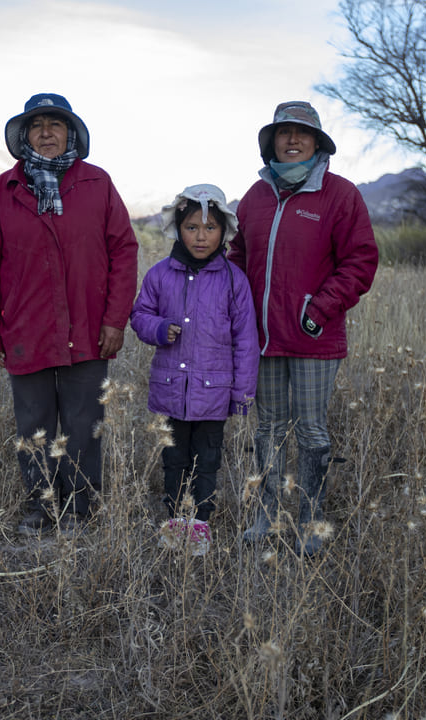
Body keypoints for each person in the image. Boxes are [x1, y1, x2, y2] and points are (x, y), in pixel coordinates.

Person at [0, 93, 138, 536]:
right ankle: (42, 506)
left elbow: (124, 250)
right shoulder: (2, 191)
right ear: (24, 135)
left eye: (56, 124)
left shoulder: (97, 184)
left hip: (89, 329)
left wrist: (115, 320)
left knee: (84, 425)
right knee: (34, 425)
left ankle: (82, 510)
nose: (46, 132)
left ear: (71, 134)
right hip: (26, 329)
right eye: (37, 124)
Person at [228, 101, 378, 557]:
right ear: (271, 141)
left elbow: (360, 261)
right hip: (264, 341)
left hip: (314, 338)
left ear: (317, 142)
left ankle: (313, 521)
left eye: (302, 133)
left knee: (312, 432)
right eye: (283, 133)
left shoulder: (339, 195)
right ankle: (267, 516)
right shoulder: (255, 197)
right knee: (268, 430)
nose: (292, 140)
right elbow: (237, 258)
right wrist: (232, 312)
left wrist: (320, 309)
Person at [130, 185, 259, 556]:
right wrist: (158, 329)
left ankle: (199, 524)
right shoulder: (159, 274)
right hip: (172, 390)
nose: (200, 236)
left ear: (224, 232)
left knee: (207, 461)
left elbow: (246, 340)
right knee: (174, 460)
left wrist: (242, 392)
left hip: (214, 393)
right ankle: (174, 521)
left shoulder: (234, 280)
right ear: (177, 228)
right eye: (191, 227)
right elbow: (139, 315)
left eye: (209, 228)